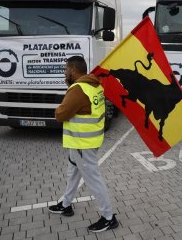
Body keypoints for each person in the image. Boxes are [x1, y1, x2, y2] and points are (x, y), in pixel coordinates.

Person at [48, 56, 118, 233]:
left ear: (73, 69)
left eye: (66, 69)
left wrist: (58, 108)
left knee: (93, 179)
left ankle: (109, 217)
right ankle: (66, 204)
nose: (65, 73)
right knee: (73, 173)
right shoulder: (95, 85)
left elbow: (60, 114)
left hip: (82, 143)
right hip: (88, 142)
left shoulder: (78, 89)